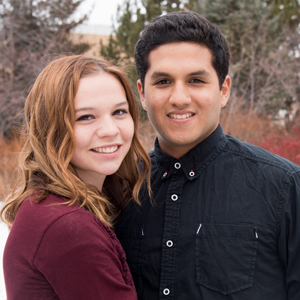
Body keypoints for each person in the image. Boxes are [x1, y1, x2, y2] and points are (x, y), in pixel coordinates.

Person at [115, 11, 300, 300]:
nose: (179, 97)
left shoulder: (284, 187)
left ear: (224, 90)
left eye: (196, 81)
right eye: (162, 81)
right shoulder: (118, 187)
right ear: (142, 93)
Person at [1, 55, 151, 300]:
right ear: (51, 128)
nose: (111, 130)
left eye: (119, 112)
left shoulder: (47, 204)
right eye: (85, 117)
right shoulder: (68, 227)